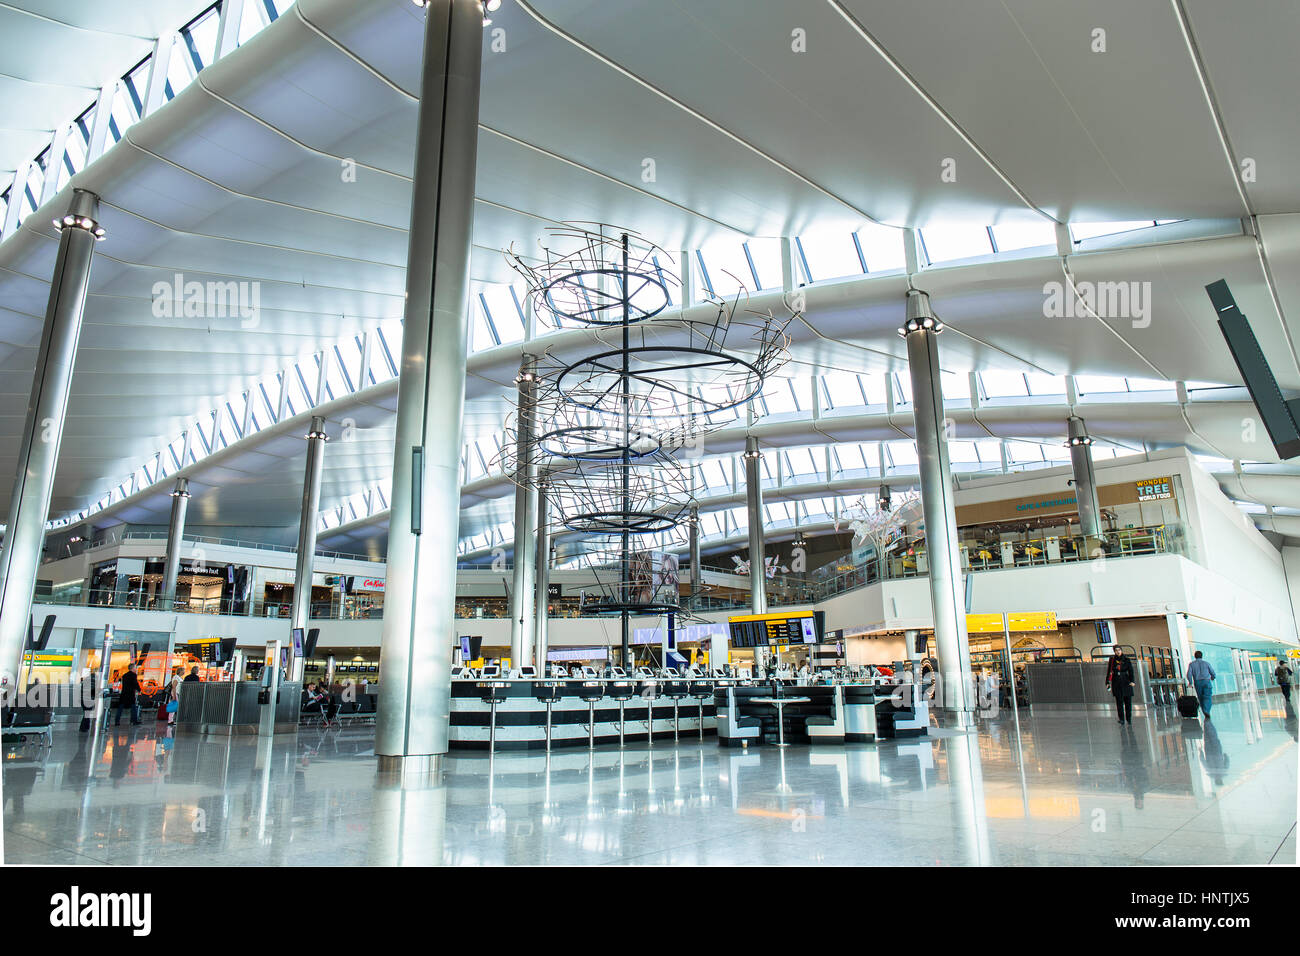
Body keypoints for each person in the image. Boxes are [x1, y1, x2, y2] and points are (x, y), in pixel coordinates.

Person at [1105, 648, 1136, 725]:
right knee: (1119, 702)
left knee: (1128, 702)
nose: (1118, 652)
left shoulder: (1126, 660)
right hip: (1116, 682)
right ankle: (1121, 719)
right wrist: (1107, 682)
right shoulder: (1112, 660)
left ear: (1121, 650)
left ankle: (1129, 718)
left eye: (1119, 650)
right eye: (1116, 650)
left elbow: (1131, 671)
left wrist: (1132, 681)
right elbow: (1109, 671)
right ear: (1114, 652)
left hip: (1126, 682)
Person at [1187, 651, 1217, 718]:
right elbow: (1212, 672)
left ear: (1195, 656)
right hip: (1206, 681)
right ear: (1201, 656)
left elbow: (1189, 674)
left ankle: (1204, 711)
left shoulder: (1191, 664)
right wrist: (1213, 677)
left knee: (1200, 697)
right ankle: (1207, 711)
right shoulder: (1206, 663)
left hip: (1197, 682)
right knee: (1207, 696)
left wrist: (1190, 682)